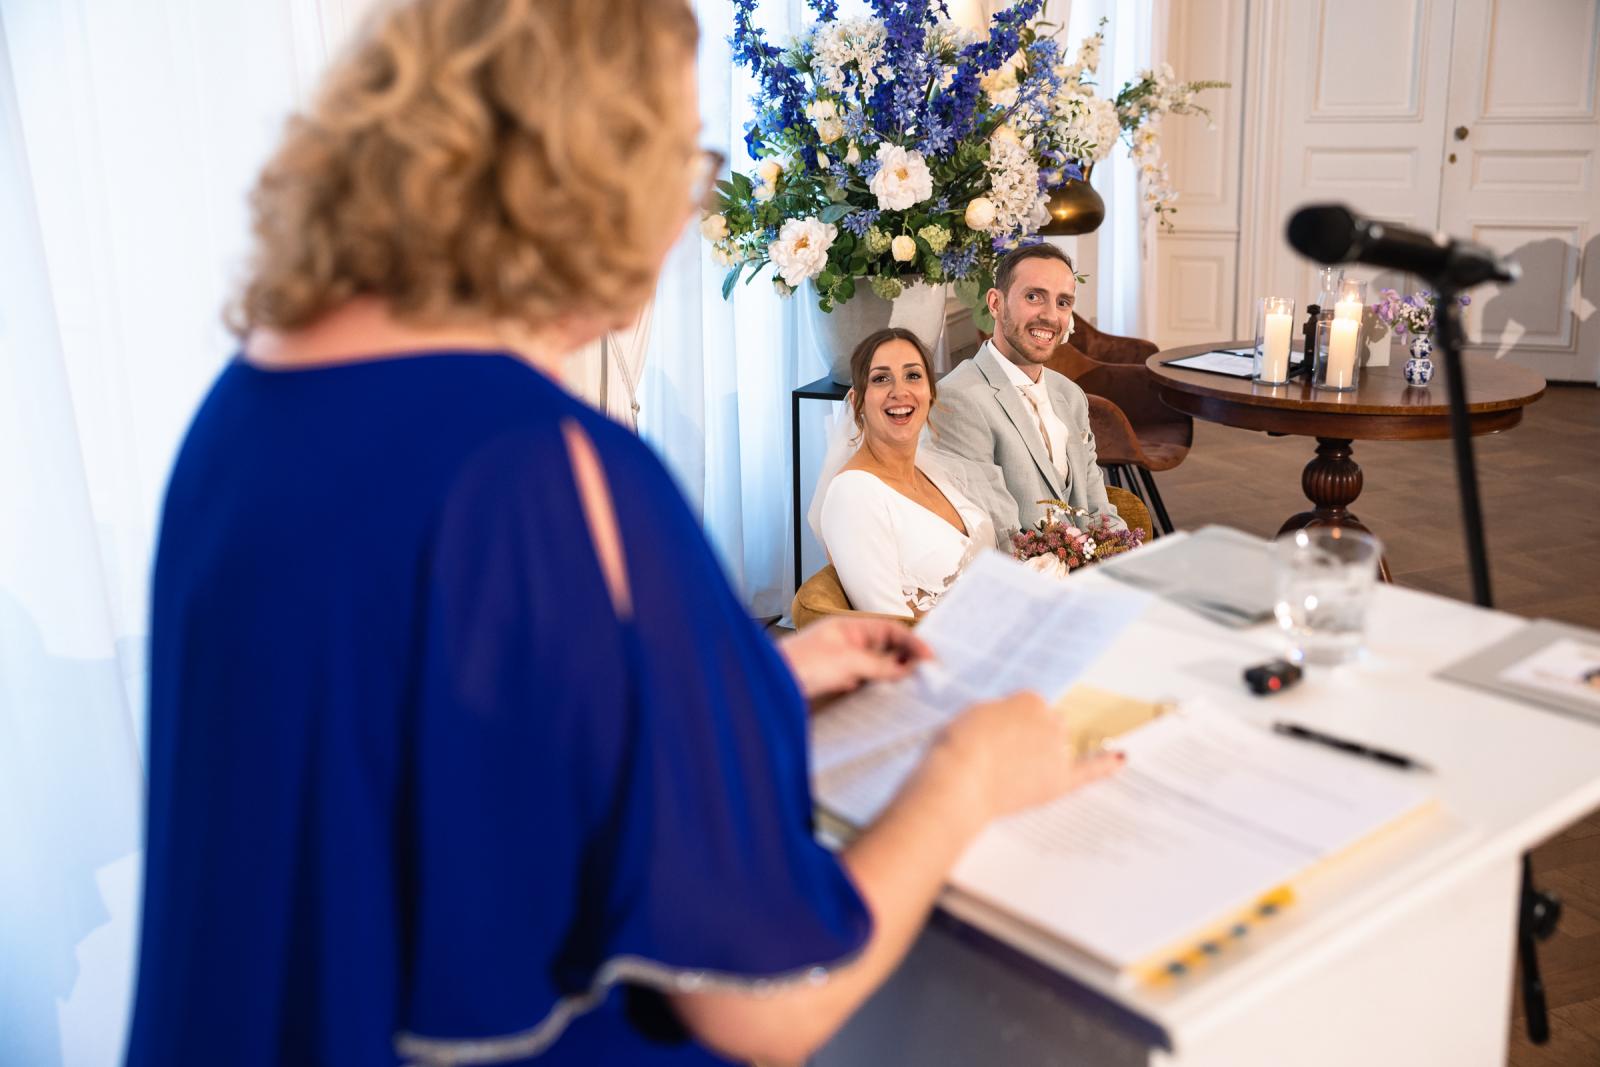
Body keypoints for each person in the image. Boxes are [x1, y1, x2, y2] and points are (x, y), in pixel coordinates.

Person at [124, 2, 1124, 1065]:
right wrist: (965, 776)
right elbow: (769, 998)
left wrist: (750, 684)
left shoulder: (245, 408)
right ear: (596, 174)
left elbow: (434, 735)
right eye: (686, 161)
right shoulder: (548, 472)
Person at [814, 327, 1018, 617]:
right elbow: (890, 625)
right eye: (881, 379)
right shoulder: (853, 495)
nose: (900, 392)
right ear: (857, 401)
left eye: (913, 376)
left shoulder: (933, 470)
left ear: (931, 394)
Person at [934, 244, 1126, 533]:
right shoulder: (957, 399)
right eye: (1034, 297)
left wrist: (1124, 558)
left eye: (1063, 302)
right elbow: (995, 533)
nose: (1050, 316)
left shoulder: (1070, 395)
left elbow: (1099, 510)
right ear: (995, 303)